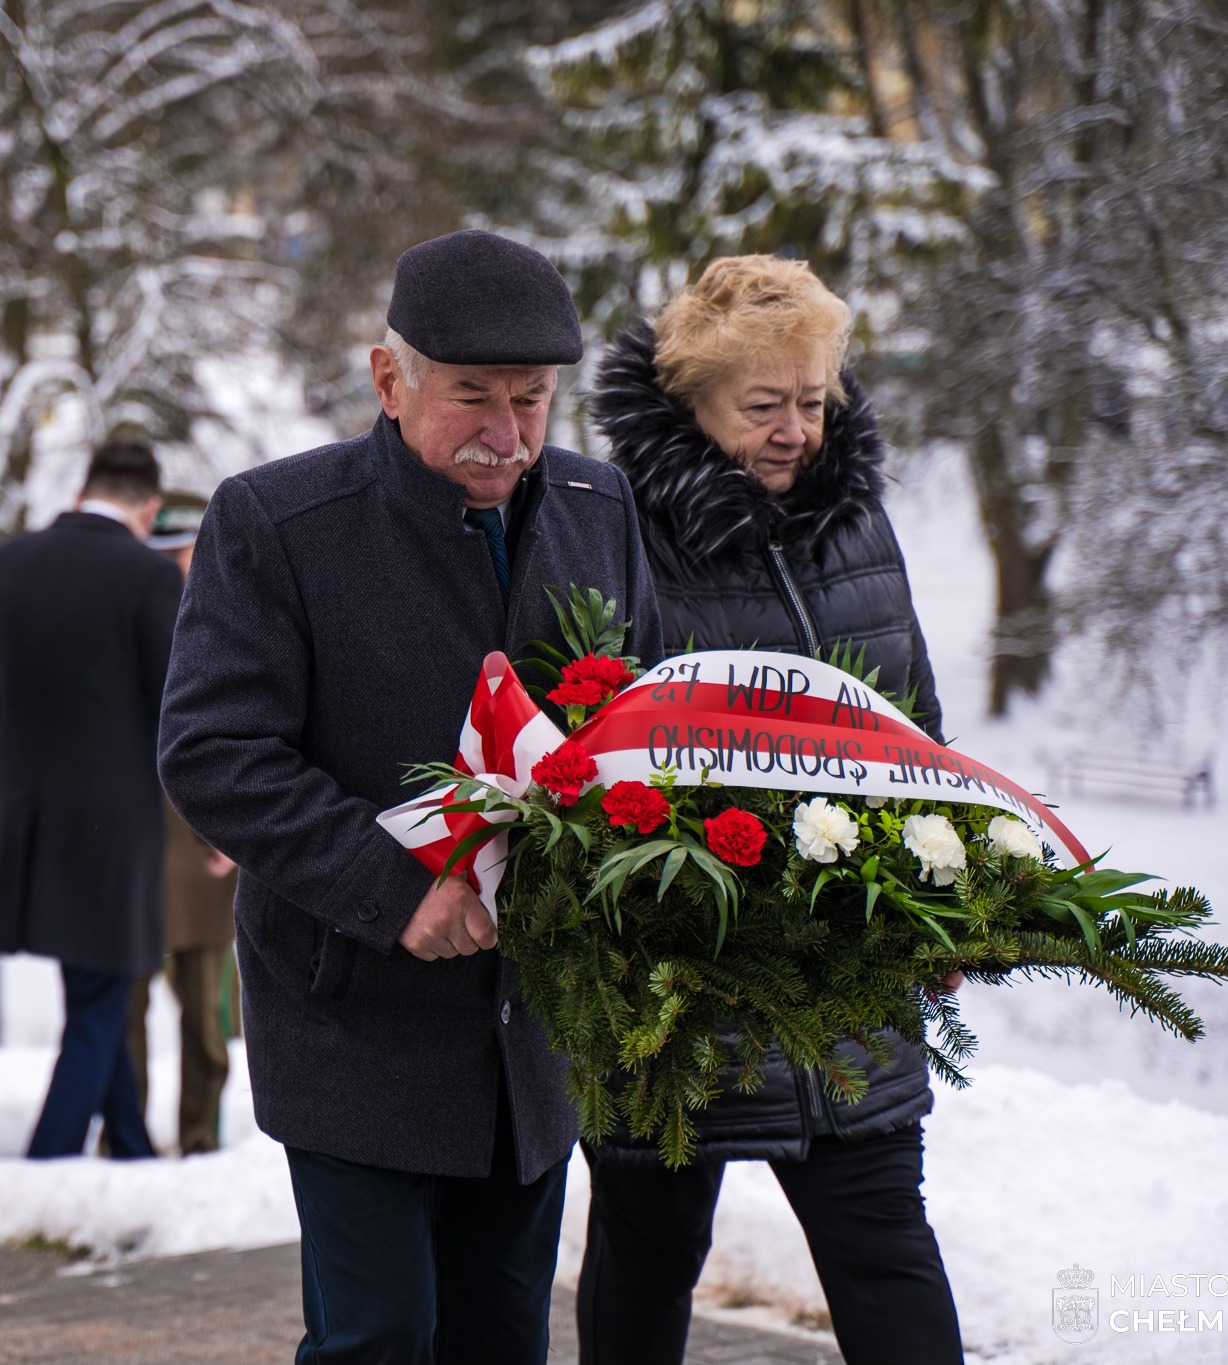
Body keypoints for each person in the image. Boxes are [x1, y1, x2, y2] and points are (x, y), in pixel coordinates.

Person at [160, 229, 663, 1364]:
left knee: (502, 1341)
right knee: (378, 1339)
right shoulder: (278, 521)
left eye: (531, 399)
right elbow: (213, 751)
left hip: (529, 1033)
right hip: (355, 1022)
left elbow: (646, 717)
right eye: (472, 396)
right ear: (389, 381)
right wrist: (398, 891)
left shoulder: (600, 506)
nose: (507, 433)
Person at [581, 253, 960, 1364]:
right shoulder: (615, 527)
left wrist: (948, 889)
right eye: (762, 407)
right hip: (678, 977)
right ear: (691, 403)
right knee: (648, 1250)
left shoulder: (857, 520)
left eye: (812, 400)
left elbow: (914, 719)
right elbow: (587, 741)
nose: (796, 430)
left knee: (883, 1241)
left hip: (846, 965)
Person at [0, 441, 181, 1161]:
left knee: (93, 985)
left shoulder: (2, 564)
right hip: (114, 826)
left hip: (24, 815)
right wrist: (213, 832)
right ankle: (47, 1159)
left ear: (83, 490)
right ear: (148, 508)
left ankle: (132, 1144)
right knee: (99, 996)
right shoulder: (151, 576)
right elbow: (175, 717)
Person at [125, 493, 235, 1157]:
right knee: (184, 1005)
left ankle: (155, 1136)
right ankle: (182, 1135)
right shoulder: (215, 620)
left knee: (189, 1006)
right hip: (180, 833)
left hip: (169, 836)